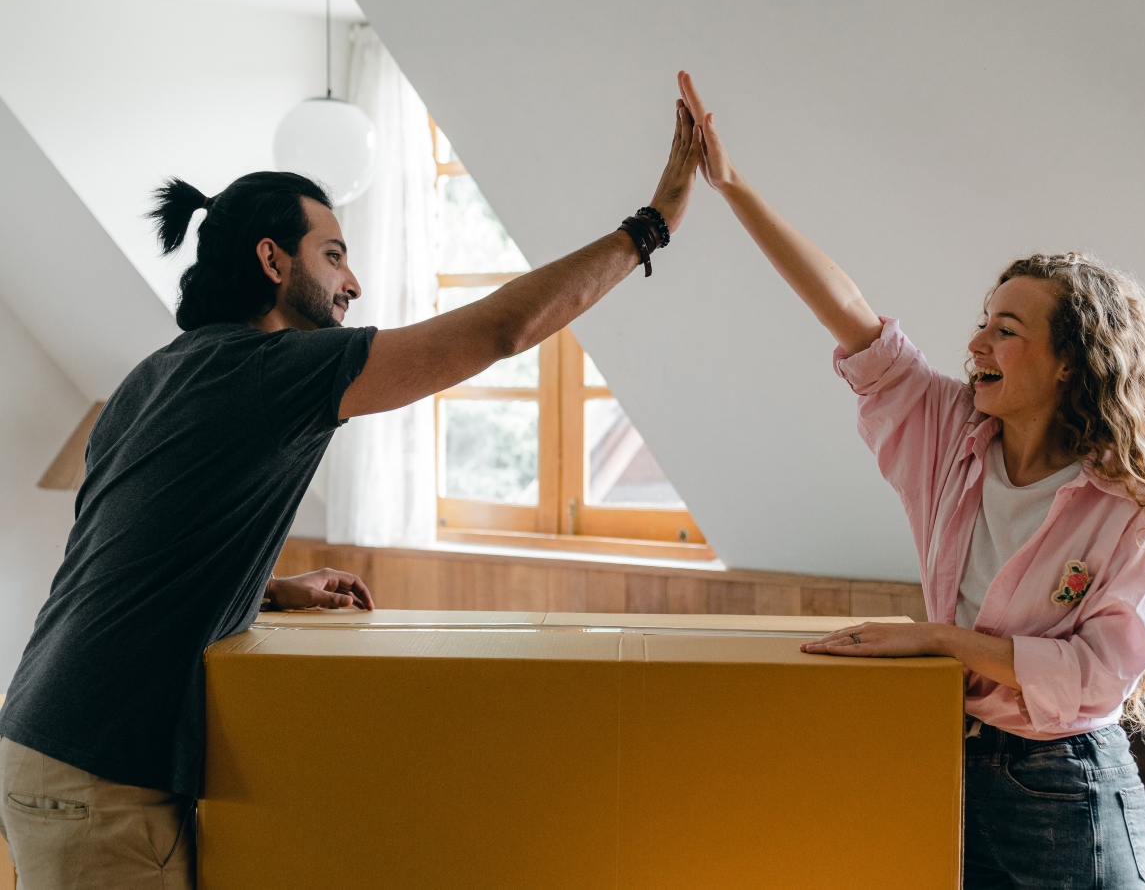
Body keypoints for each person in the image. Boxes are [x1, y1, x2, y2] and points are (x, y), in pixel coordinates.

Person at [0, 98, 703, 889]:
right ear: (272, 262)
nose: (354, 282)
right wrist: (652, 225)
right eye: (334, 255)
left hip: (40, 733)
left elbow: (127, 554)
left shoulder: (156, 374)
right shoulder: (279, 371)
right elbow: (500, 332)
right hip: (100, 775)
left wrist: (266, 589)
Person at [677, 71, 1145, 887]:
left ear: (1070, 364)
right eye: (982, 321)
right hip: (949, 761)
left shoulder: (1131, 507)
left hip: (1065, 787)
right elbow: (846, 307)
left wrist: (938, 640)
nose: (978, 342)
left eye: (1007, 328)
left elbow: (1098, 675)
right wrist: (733, 187)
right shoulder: (948, 432)